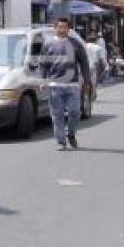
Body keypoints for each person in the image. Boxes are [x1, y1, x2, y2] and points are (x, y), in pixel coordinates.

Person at [40, 18, 91, 150]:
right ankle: (61, 140)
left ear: (69, 29)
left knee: (75, 111)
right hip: (54, 85)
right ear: (55, 28)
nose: (62, 29)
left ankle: (71, 134)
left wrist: (87, 80)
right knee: (57, 114)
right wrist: (43, 80)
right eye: (60, 27)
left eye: (65, 27)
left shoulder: (76, 44)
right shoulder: (48, 45)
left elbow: (84, 63)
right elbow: (43, 65)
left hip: (72, 85)